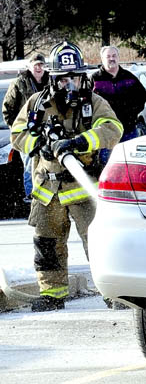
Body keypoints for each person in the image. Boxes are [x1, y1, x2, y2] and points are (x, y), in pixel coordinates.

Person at [9, 41, 122, 312]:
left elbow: (113, 128)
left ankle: (113, 294)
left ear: (83, 77)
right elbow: (17, 133)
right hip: (47, 190)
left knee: (97, 242)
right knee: (47, 246)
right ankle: (52, 295)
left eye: (75, 78)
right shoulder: (37, 103)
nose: (69, 85)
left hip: (83, 187)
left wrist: (80, 142)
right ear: (53, 79)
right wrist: (38, 143)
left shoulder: (94, 102)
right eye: (63, 79)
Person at [2, 53, 50, 203]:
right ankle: (31, 198)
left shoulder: (52, 81)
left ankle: (49, 197)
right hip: (27, 134)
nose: (38, 68)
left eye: (41, 65)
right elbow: (7, 109)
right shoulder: (19, 83)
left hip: (48, 131)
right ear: (29, 66)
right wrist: (17, 130)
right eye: (35, 65)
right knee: (30, 165)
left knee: (50, 165)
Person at [89, 45, 146, 166]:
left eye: (114, 55)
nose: (111, 59)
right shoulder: (94, 79)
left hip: (128, 130)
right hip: (106, 132)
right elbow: (87, 102)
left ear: (118, 57)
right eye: (108, 56)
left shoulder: (129, 77)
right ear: (102, 59)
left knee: (131, 163)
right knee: (107, 166)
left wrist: (131, 114)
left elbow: (141, 97)